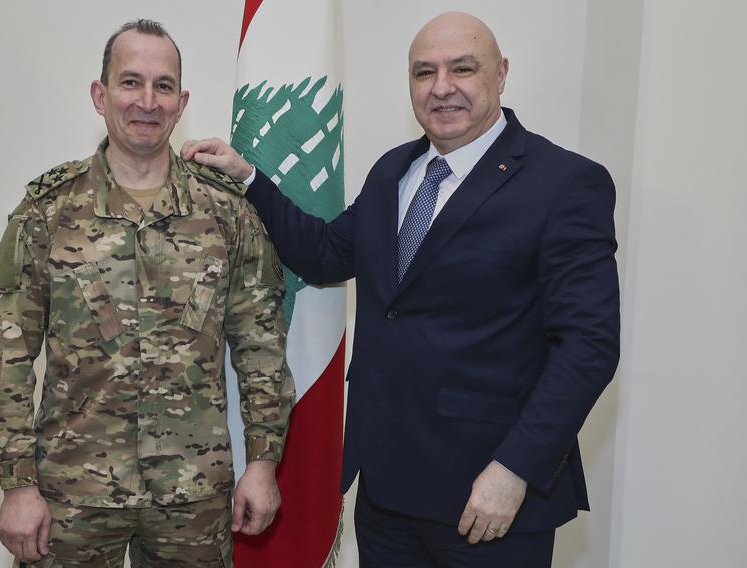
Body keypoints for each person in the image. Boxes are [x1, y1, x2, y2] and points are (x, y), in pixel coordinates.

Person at [182, 11, 619, 567]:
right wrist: (249, 178)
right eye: (424, 72)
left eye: (462, 68)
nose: (442, 88)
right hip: (386, 491)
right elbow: (325, 254)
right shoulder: (395, 170)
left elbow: (589, 346)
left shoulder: (564, 183)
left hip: (488, 499)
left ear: (501, 73)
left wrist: (516, 470)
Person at [0, 19, 294, 568]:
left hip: (192, 495)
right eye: (130, 82)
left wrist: (264, 463)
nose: (146, 101)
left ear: (181, 101)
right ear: (100, 96)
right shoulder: (47, 211)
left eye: (163, 85)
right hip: (70, 495)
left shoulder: (225, 212)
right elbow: (8, 359)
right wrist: (17, 482)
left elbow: (261, 349)